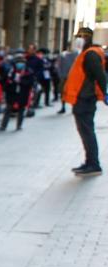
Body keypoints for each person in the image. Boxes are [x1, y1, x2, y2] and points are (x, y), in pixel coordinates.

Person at [65, 27, 108, 176]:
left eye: (82, 36)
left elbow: (100, 75)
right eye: (78, 36)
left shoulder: (90, 55)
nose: (79, 39)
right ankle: (90, 162)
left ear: (88, 38)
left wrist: (106, 92)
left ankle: (93, 164)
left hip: (85, 99)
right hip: (83, 98)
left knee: (87, 131)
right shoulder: (86, 53)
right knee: (85, 131)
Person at [0, 54, 35, 131]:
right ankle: (3, 126)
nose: (20, 64)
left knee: (21, 110)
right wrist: (11, 82)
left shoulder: (28, 71)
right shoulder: (10, 71)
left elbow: (31, 82)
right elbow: (5, 81)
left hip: (23, 93)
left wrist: (21, 81)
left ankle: (19, 125)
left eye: (21, 62)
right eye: (18, 62)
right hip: (12, 93)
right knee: (8, 109)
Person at [58, 42, 77, 114]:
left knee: (73, 92)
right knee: (63, 92)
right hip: (64, 76)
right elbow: (59, 66)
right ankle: (63, 107)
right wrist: (60, 75)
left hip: (73, 77)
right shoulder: (63, 55)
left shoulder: (76, 55)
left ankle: (73, 107)